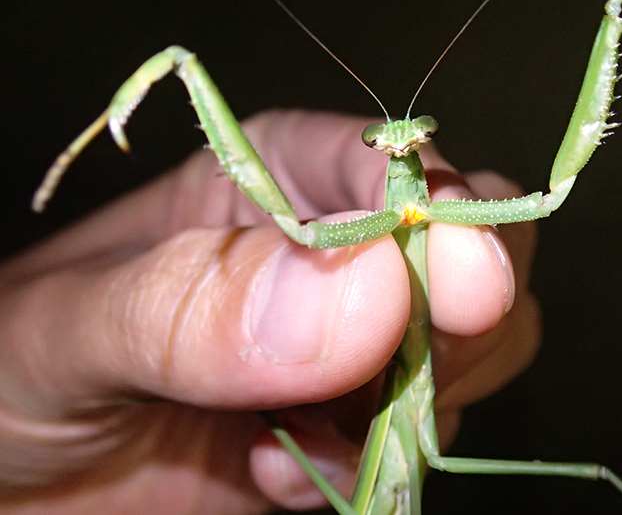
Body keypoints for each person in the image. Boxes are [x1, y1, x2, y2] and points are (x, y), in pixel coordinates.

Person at [0, 110, 539, 514]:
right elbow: (305, 233)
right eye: (382, 141)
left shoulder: (429, 206)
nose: (398, 146)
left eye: (414, 136)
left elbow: (544, 199)